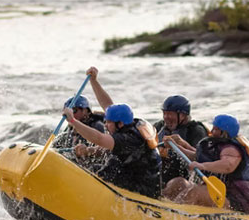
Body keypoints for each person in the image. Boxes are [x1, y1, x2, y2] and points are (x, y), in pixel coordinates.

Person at [62, 66, 162, 198]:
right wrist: (94, 81)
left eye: (108, 122)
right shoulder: (130, 123)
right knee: (99, 168)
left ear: (120, 124)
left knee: (107, 170)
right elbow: (109, 106)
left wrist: (73, 121)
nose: (105, 124)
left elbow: (98, 138)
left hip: (144, 189)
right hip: (135, 175)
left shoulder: (127, 139)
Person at [162, 114, 249, 213]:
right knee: (178, 183)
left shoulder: (231, 149)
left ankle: (174, 215)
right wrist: (177, 146)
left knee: (195, 192)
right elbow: (196, 157)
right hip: (219, 193)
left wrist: (202, 166)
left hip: (237, 200)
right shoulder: (216, 145)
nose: (212, 131)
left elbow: (227, 166)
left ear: (224, 133)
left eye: (216, 129)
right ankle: (160, 207)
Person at [153, 95, 208, 185]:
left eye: (170, 114)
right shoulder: (159, 126)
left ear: (182, 115)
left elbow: (200, 157)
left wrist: (176, 148)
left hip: (182, 178)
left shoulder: (196, 131)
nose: (166, 117)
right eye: (164, 113)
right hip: (159, 174)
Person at [53, 96, 105, 166]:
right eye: (68, 112)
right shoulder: (69, 130)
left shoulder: (97, 126)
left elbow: (106, 150)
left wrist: (87, 151)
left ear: (85, 111)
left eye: (74, 111)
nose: (71, 114)